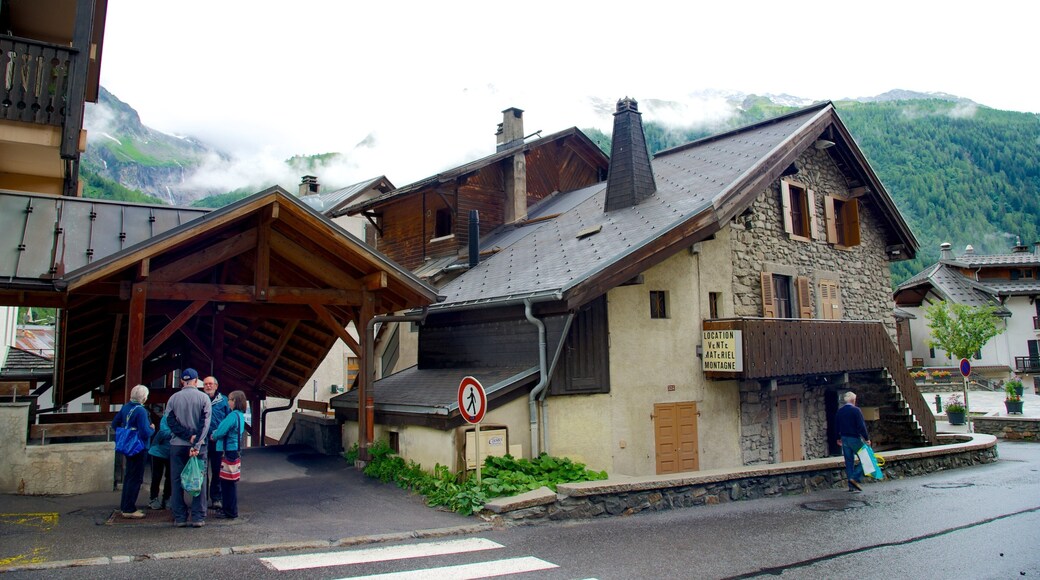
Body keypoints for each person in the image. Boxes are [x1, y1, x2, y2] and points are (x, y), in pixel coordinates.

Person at [166, 368, 212, 528]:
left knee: (177, 480)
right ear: (196, 380)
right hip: (199, 447)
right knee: (199, 480)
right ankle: (198, 517)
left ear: (182, 381)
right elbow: (205, 423)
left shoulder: (173, 398)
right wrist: (196, 442)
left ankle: (180, 517)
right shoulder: (204, 398)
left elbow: (170, 422)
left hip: (177, 445)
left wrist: (186, 436)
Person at [110, 384, 154, 518]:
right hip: (139, 447)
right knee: (136, 478)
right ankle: (129, 509)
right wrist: (152, 428)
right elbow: (145, 432)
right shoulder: (141, 411)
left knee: (129, 476)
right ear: (144, 398)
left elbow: (114, 424)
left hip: (127, 444)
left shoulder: (126, 407)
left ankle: (124, 505)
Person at [210, 390, 247, 519]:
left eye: (230, 399)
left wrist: (213, 435)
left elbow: (220, 432)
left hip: (227, 450)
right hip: (234, 450)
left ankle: (229, 511)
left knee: (226, 483)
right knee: (231, 481)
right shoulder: (240, 415)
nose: (228, 402)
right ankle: (230, 510)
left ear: (235, 401)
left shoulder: (232, 416)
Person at [203, 375, 229, 510]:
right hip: (202, 440)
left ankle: (216, 498)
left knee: (217, 470)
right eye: (206, 384)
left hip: (217, 441)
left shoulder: (223, 401)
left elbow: (228, 419)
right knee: (202, 470)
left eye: (210, 384)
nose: (208, 386)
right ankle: (202, 498)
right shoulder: (200, 399)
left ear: (216, 386)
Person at [836, 391, 871, 493]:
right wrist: (867, 438)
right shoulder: (856, 411)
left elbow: (836, 425)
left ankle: (851, 486)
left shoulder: (840, 411)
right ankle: (855, 478)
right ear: (853, 400)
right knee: (866, 458)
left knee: (849, 462)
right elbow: (861, 426)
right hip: (854, 438)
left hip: (844, 438)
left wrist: (838, 438)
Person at [146, 413, 172, 510]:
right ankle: (153, 498)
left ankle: (167, 498)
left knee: (170, 477)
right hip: (157, 451)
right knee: (156, 476)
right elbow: (163, 432)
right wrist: (177, 432)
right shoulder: (166, 417)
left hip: (171, 453)